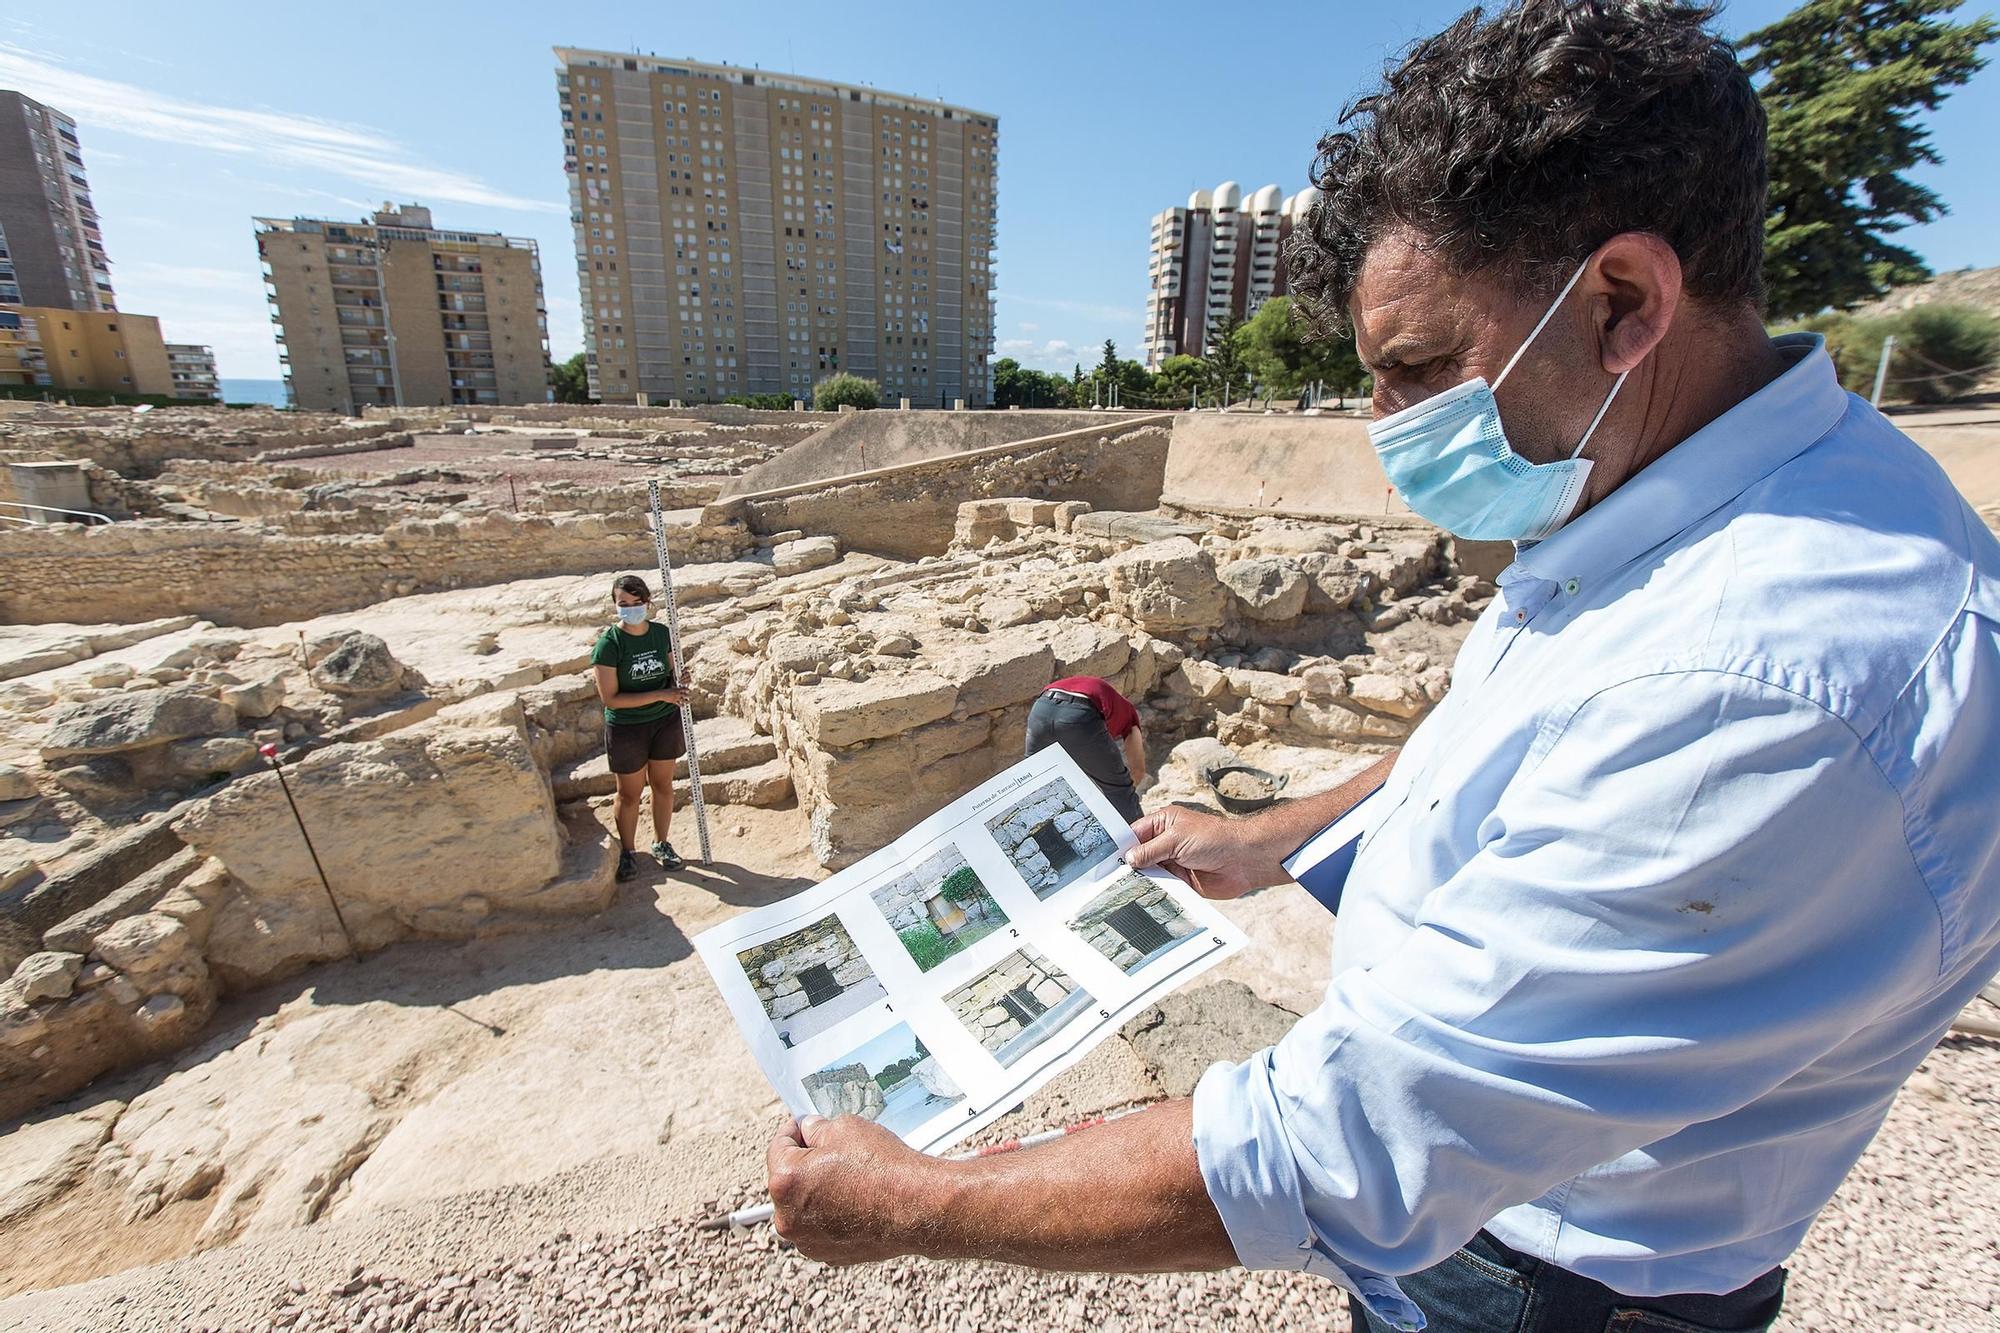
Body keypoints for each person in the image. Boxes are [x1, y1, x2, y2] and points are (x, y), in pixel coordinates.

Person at [760, 5, 2000, 1332]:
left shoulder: (1764, 683)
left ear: (1624, 303)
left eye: (1416, 366)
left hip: (1545, 1277)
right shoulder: (1675, 498)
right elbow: (1504, 733)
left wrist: (914, 1204)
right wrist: (1276, 837)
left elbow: (1335, 1153)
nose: (1383, 424)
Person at [591, 574, 688, 881]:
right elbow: (611, 699)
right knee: (629, 794)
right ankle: (629, 853)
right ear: (615, 605)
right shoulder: (609, 645)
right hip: (628, 728)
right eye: (624, 604)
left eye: (636, 602)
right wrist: (661, 694)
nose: (630, 608)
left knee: (663, 786)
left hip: (663, 721)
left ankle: (662, 843)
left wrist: (681, 683)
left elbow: (672, 672)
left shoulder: (662, 634)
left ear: (648, 602)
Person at [1024, 675, 1147, 823]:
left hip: (1041, 709)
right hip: (1080, 714)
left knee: (1032, 782)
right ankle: (1142, 840)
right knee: (1119, 788)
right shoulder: (1130, 715)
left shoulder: (1105, 699)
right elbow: (1138, 771)